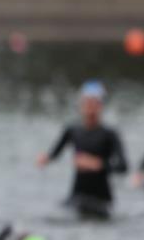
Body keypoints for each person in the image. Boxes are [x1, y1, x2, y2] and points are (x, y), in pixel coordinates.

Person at [36, 81, 128, 218]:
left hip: (101, 199)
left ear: (101, 106)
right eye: (86, 102)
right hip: (77, 195)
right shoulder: (72, 130)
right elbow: (55, 153)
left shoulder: (109, 134)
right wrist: (46, 159)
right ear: (81, 105)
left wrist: (98, 164)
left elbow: (123, 167)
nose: (90, 106)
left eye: (94, 102)